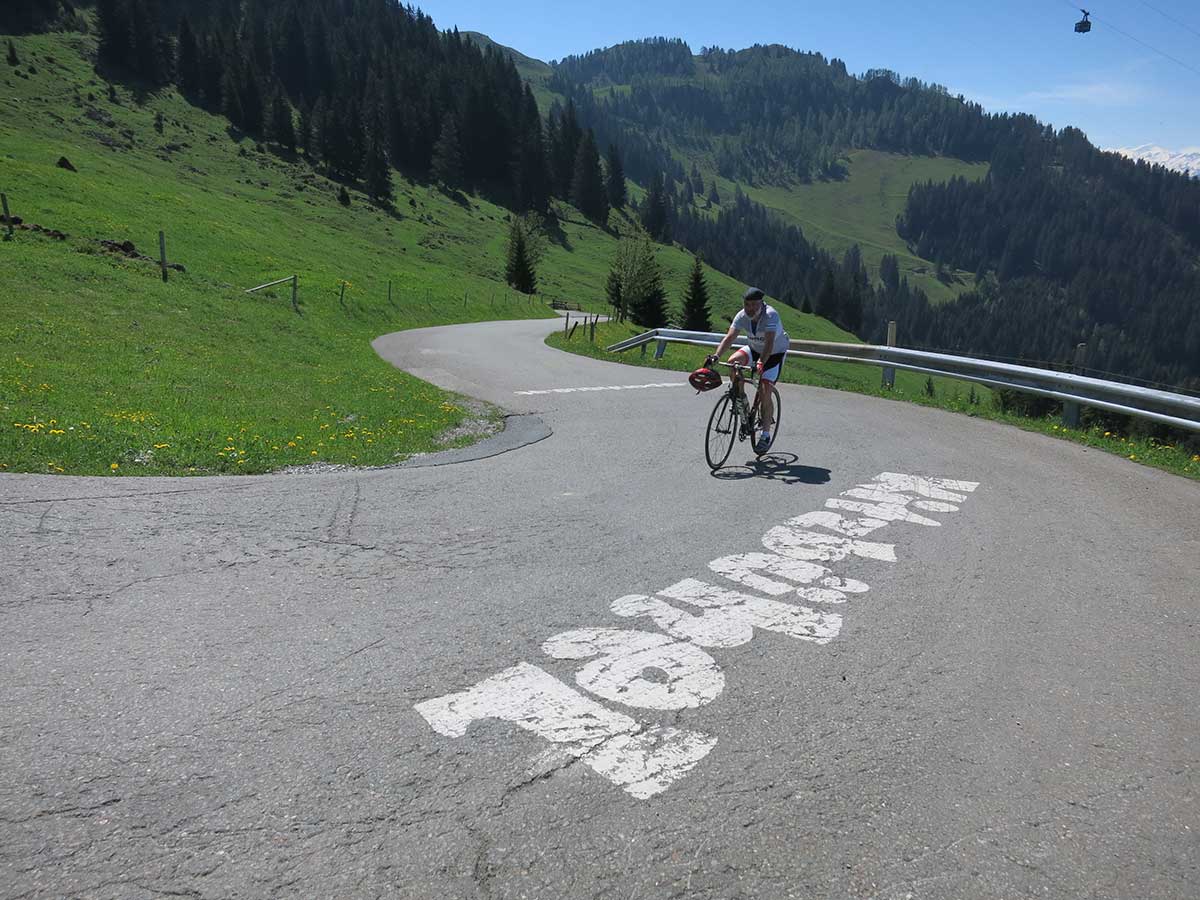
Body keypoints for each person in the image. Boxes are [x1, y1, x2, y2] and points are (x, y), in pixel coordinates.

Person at [706, 287, 788, 453]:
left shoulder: (771, 315)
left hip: (774, 354)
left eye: (753, 305)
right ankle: (740, 400)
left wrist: (760, 363)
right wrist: (715, 356)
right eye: (746, 304)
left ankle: (765, 434)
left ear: (761, 303)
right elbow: (730, 337)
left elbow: (770, 343)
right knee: (732, 362)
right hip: (754, 349)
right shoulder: (742, 315)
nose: (749, 308)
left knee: (765, 392)